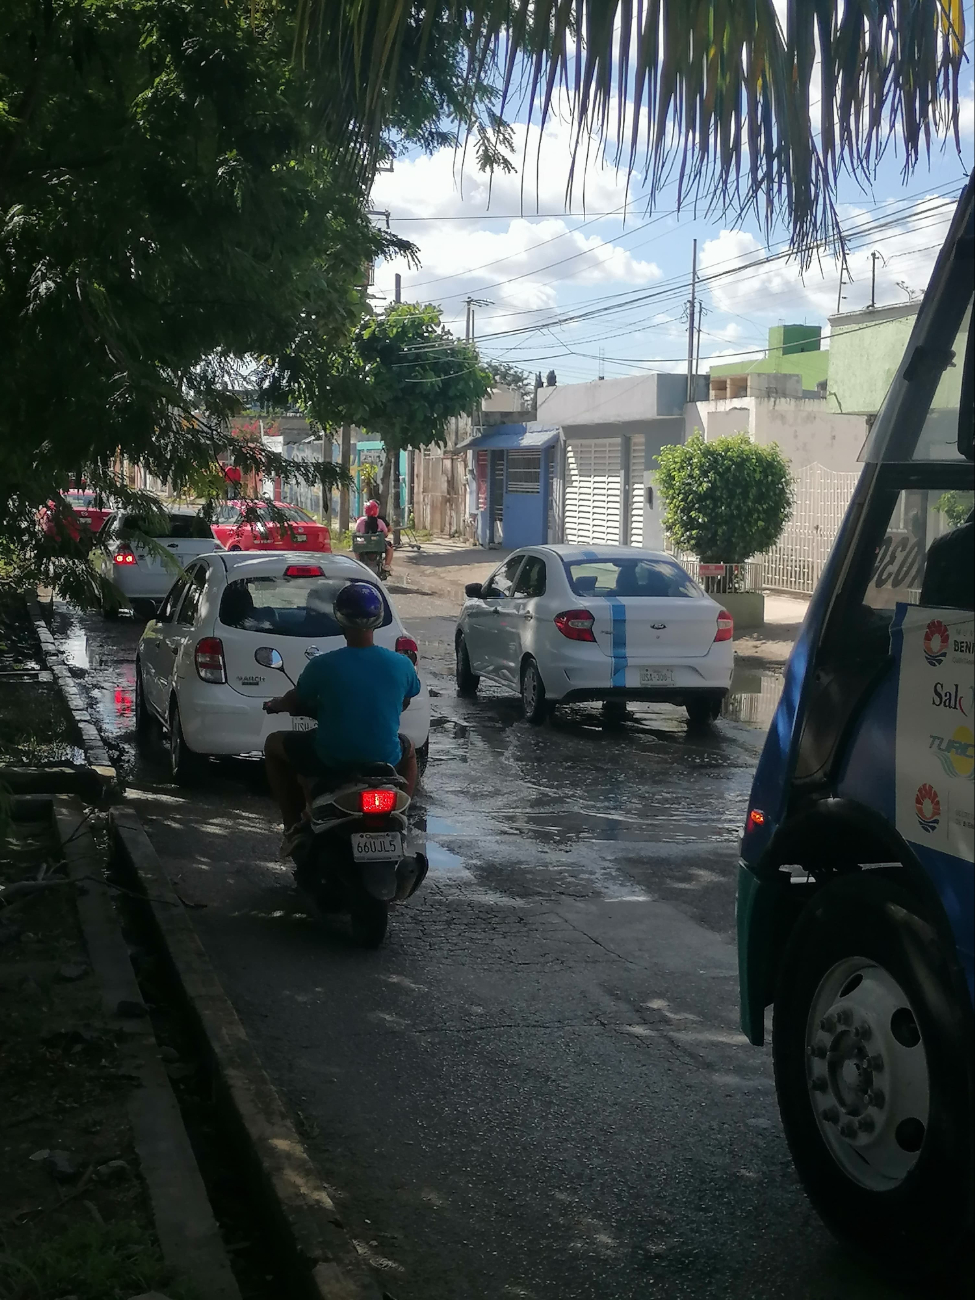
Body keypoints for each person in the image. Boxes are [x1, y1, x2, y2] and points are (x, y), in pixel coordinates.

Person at [262, 581, 421, 852]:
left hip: (331, 757)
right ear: (379, 619)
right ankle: (401, 812)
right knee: (409, 750)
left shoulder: (322, 665)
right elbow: (406, 699)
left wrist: (277, 704)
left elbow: (295, 700)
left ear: (339, 618)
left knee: (273, 744)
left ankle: (292, 827)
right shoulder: (402, 664)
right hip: (385, 756)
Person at [354, 499, 394, 573]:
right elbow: (385, 533)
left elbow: (356, 531)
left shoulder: (360, 521)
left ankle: (359, 562)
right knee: (389, 549)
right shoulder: (380, 522)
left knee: (356, 546)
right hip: (378, 546)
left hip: (363, 545)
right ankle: (387, 565)